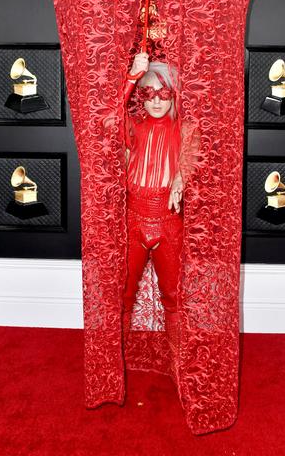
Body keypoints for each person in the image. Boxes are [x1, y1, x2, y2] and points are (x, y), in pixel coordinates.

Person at [122, 52, 184, 361]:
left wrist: (182, 176)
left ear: (175, 95)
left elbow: (195, 154)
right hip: (133, 219)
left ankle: (178, 363)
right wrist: (133, 77)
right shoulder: (134, 126)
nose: (157, 102)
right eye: (149, 94)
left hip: (169, 220)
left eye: (164, 94)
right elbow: (107, 118)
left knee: (173, 296)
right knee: (123, 294)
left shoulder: (184, 129)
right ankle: (113, 363)